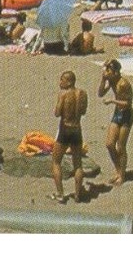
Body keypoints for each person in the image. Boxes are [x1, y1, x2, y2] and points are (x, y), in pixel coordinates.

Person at [51, 70, 88, 204]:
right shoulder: (82, 94)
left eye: (62, 80)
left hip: (65, 130)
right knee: (78, 164)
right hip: (77, 129)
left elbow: (57, 113)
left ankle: (61, 194)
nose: (60, 83)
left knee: (56, 161)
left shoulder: (63, 94)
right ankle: (78, 195)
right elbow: (83, 112)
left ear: (69, 81)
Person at [99, 58, 133, 187]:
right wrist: (103, 80)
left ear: (116, 72)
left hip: (126, 115)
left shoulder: (123, 84)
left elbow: (128, 103)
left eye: (109, 71)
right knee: (109, 144)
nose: (107, 73)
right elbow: (100, 93)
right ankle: (118, 170)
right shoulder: (111, 80)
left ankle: (122, 175)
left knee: (121, 146)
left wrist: (113, 101)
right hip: (117, 114)